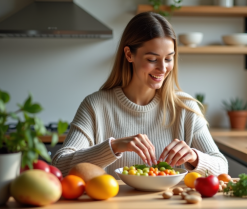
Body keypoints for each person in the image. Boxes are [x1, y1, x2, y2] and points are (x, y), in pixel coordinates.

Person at [52, 12, 228, 178]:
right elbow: (60, 165)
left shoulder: (185, 107)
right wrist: (114, 147)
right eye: (152, 59)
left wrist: (194, 157)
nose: (163, 68)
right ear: (129, 54)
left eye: (169, 58)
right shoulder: (95, 105)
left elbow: (222, 167)